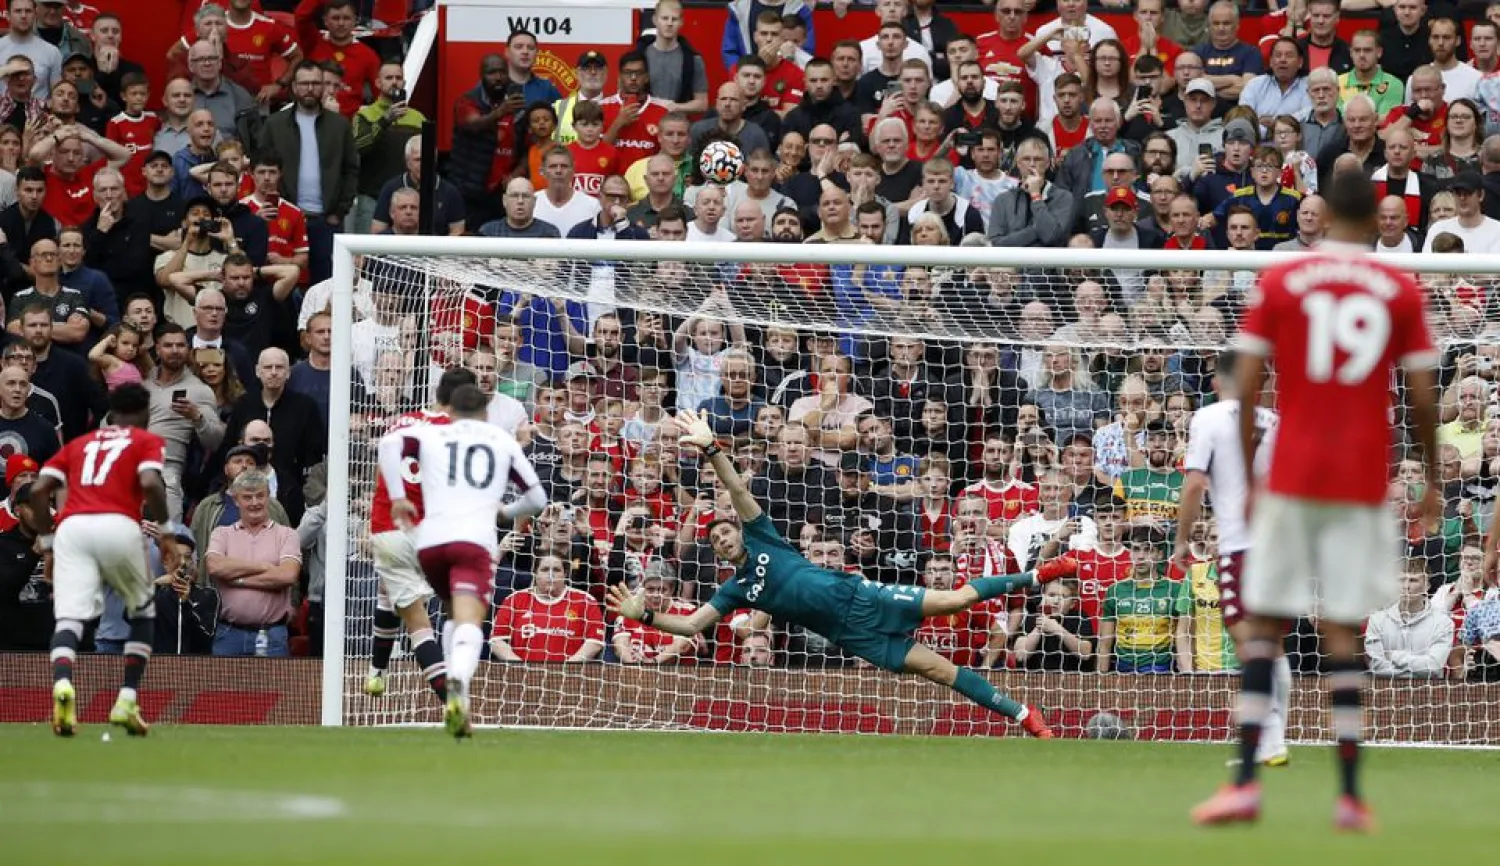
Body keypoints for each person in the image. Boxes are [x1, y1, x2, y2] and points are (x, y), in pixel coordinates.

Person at [1191, 171, 1441, 831]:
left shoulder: (1283, 280)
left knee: (1264, 631)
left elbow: (1247, 387)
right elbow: (1420, 394)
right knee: (1342, 634)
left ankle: (1244, 783)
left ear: (1325, 214)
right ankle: (1352, 796)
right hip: (1358, 483)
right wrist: (1434, 478)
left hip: (1295, 479)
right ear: (1375, 217)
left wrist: (1248, 471)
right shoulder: (1400, 288)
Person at [608, 408, 1075, 738]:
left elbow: (734, 485)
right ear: (718, 554)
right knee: (941, 671)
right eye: (715, 541)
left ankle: (1035, 576)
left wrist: (712, 449)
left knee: (954, 599)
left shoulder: (765, 537)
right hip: (854, 636)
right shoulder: (737, 588)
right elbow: (690, 626)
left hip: (862, 596)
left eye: (727, 533)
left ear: (741, 533)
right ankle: (1024, 715)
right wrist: (643, 616)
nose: (723, 540)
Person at [376, 384, 547, 739]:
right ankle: (457, 681)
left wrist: (396, 498)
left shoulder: (432, 433)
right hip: (473, 542)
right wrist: (506, 512)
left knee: (453, 611)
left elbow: (390, 444)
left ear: (449, 411)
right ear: (486, 413)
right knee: (469, 620)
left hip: (430, 544)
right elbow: (537, 498)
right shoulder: (500, 440)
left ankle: (453, 688)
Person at [33, 383, 177, 737]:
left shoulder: (79, 443)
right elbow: (151, 483)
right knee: (141, 611)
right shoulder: (145, 440)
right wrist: (167, 530)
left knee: (69, 618)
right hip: (118, 523)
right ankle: (127, 699)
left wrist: (49, 543)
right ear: (145, 413)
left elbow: (38, 490)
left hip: (72, 528)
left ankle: (63, 685)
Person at [1173, 350, 1289, 766]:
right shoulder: (1273, 422)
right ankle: (1270, 740)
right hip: (1279, 544)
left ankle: (1269, 737)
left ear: (1215, 382)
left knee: (1247, 639)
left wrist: (1182, 540)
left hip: (1241, 544)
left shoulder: (1208, 417)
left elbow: (1193, 485)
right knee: (1270, 643)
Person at [363, 368, 480, 707]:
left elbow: (381, 471)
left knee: (409, 611)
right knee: (414, 617)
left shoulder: (402, 421)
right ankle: (450, 702)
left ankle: (377, 673)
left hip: (389, 528)